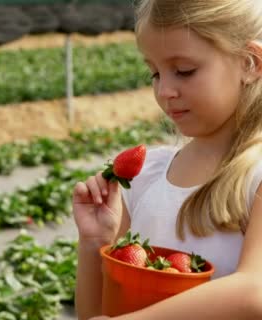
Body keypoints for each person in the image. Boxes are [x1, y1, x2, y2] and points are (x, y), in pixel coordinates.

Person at [72, 0, 262, 319]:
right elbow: (100, 312)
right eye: (155, 73)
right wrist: (95, 244)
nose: (165, 91)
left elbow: (254, 292)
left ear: (250, 63)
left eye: (184, 71)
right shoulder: (146, 177)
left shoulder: (254, 176)